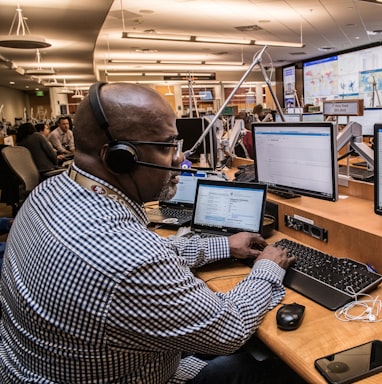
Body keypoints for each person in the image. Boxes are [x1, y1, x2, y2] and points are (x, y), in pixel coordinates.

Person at [0, 82, 299, 383]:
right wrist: (267, 268)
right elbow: (229, 329)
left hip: (49, 367)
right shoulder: (130, 259)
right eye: (166, 146)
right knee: (257, 367)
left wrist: (225, 245)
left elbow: (148, 254)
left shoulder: (49, 192)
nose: (178, 159)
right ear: (119, 157)